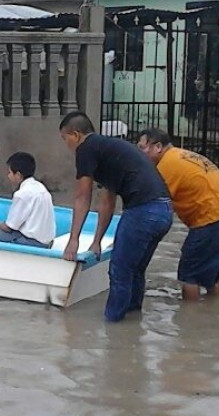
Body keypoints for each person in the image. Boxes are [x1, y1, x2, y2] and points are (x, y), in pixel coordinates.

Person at [59, 111, 172, 322]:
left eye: (65, 139)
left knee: (120, 271)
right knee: (135, 270)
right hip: (164, 211)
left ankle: (113, 326)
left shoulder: (86, 148)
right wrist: (96, 242)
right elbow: (107, 203)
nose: (66, 146)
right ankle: (131, 326)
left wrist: (73, 240)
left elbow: (83, 197)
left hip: (143, 210)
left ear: (75, 135)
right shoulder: (108, 149)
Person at [137, 128, 219, 301]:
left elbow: (153, 202)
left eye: (142, 148)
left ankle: (190, 321)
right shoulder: (184, 155)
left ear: (157, 147)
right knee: (213, 278)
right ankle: (213, 317)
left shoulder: (166, 165)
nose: (139, 154)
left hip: (212, 221)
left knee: (189, 277)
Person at [0, 152, 54, 248]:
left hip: (28, 241)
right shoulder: (41, 188)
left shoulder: (22, 194)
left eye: (9, 172)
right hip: (45, 241)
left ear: (18, 175)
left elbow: (9, 227)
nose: (8, 176)